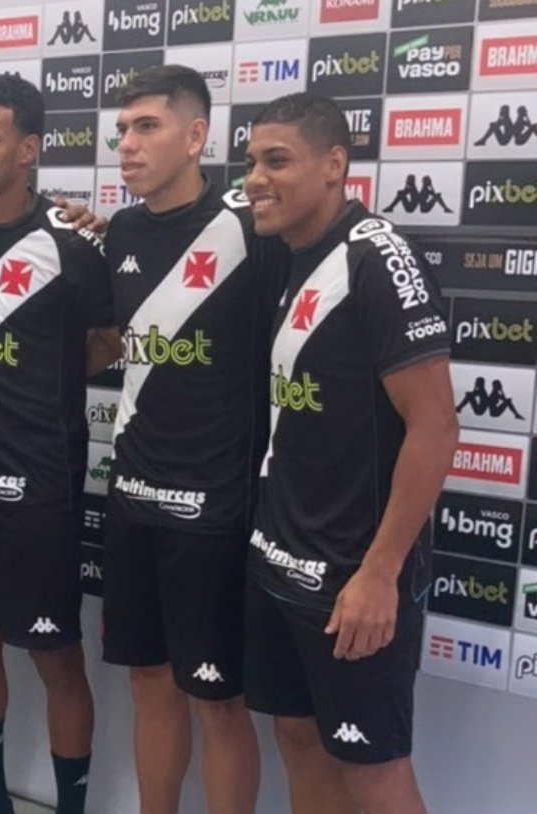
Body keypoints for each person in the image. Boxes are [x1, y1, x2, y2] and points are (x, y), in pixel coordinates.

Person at [242, 93, 458, 814]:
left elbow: (436, 428)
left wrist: (379, 572)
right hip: (278, 557)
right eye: (251, 162)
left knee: (373, 772)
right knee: (298, 739)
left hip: (352, 577)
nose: (256, 179)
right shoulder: (284, 252)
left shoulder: (377, 258)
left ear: (334, 164)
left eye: (277, 161)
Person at [0, 73, 120, 814]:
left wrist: (43, 380)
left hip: (36, 488)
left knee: (55, 656)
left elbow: (108, 340)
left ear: (29, 150)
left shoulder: (72, 240)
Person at [100, 64, 287, 814]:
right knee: (148, 681)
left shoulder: (250, 227)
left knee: (217, 701)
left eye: (147, 127)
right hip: (132, 496)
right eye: (122, 129)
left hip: (215, 509)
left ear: (196, 136)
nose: (127, 144)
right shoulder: (121, 231)